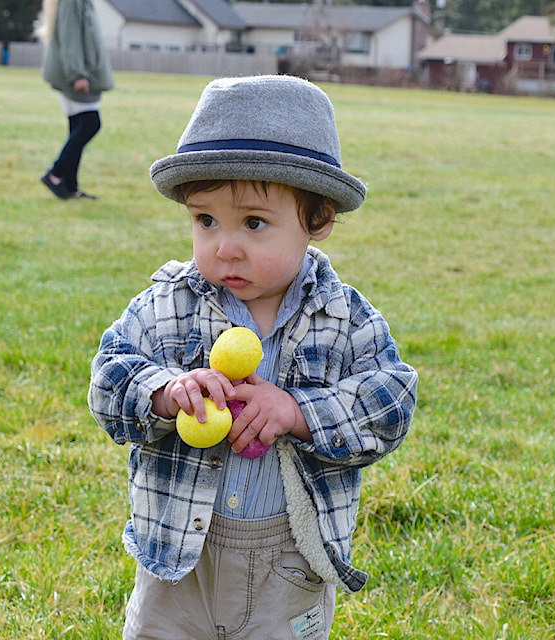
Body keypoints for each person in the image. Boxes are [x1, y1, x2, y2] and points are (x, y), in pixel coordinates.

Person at [88, 75, 418, 640]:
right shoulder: (169, 302)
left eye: (254, 223)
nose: (225, 246)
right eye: (205, 220)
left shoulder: (343, 317)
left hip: (288, 564)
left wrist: (298, 411)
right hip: (176, 559)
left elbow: (392, 399)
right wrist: (166, 393)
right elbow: (109, 377)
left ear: (319, 221)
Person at [38, 0, 113, 200]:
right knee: (91, 123)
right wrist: (77, 74)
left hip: (74, 73)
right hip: (74, 76)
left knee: (77, 126)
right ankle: (55, 174)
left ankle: (70, 186)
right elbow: (70, 38)